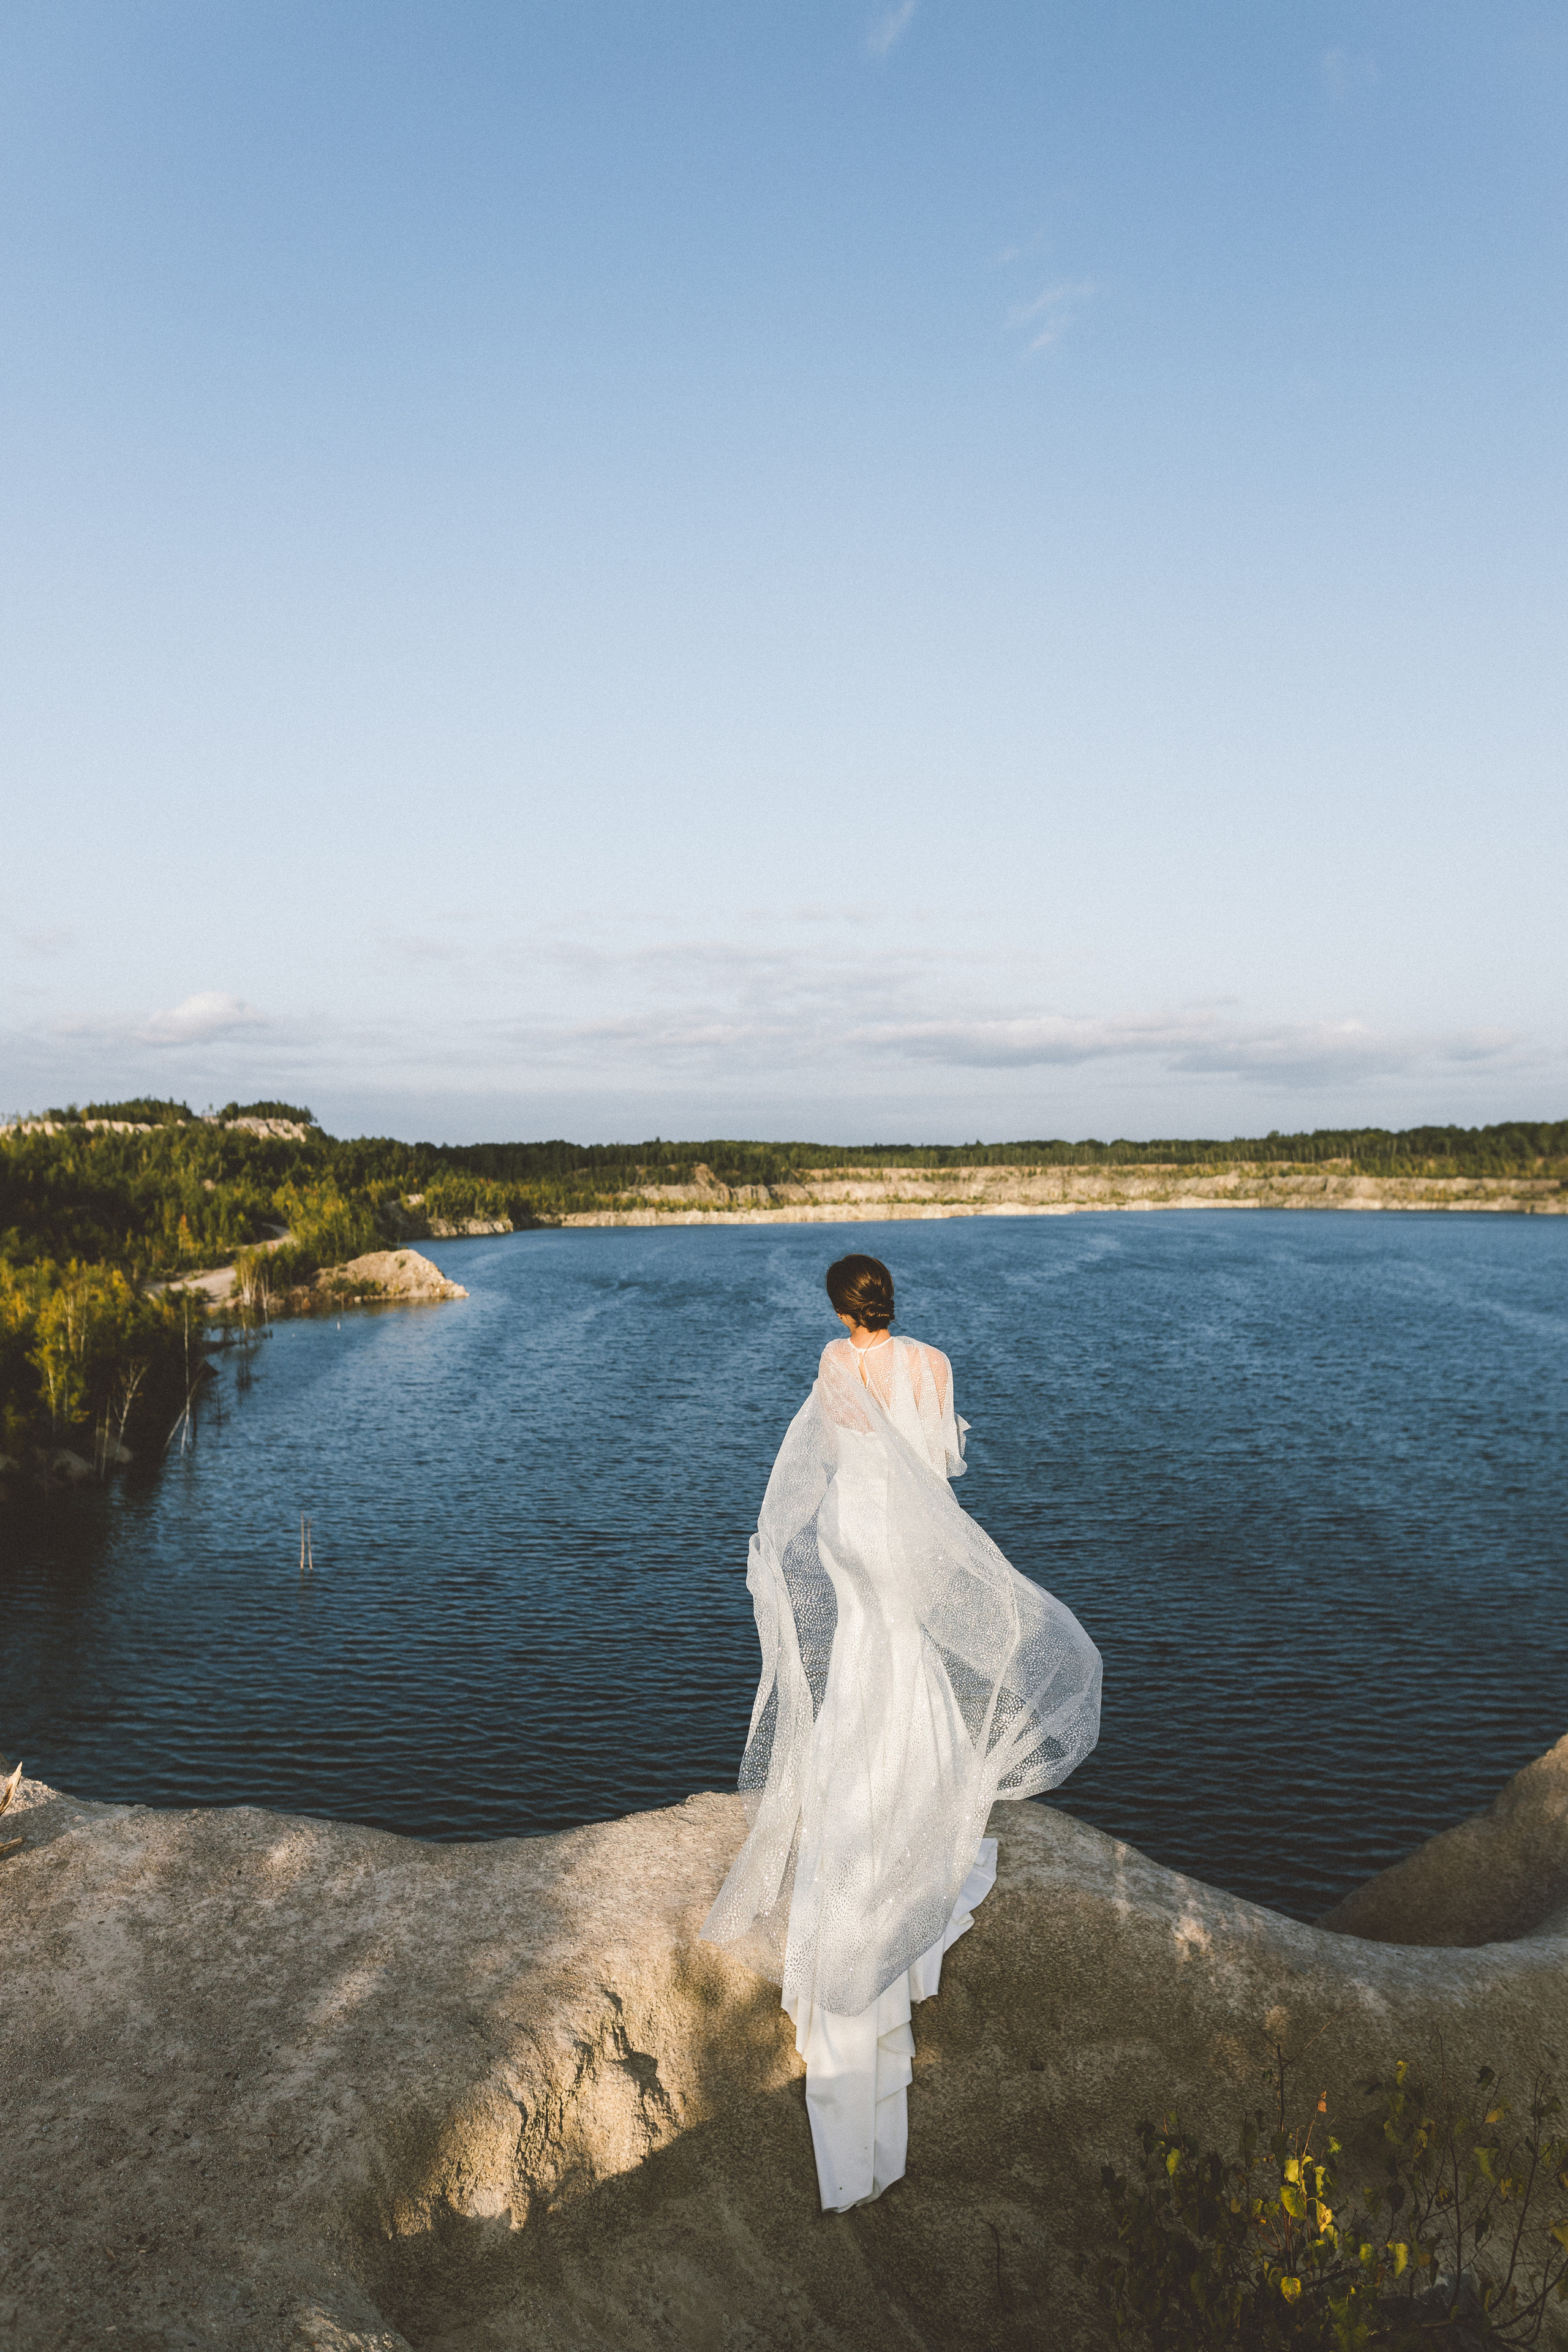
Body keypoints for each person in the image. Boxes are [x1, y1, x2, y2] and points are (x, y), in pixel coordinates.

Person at [701, 1252, 1101, 2211]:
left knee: (860, 1656)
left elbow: (825, 1461)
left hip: (855, 1535)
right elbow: (943, 1465)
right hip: (914, 1540)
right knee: (908, 1654)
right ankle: (919, 1782)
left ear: (844, 1310)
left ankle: (858, 1787)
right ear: (894, 1302)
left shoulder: (839, 1368)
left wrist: (771, 1549)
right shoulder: (936, 1363)